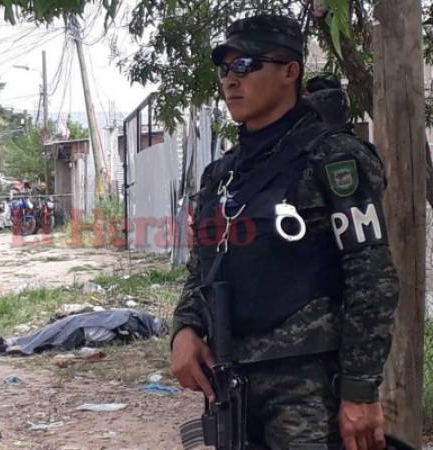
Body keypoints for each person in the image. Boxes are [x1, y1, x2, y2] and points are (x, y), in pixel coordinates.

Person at [171, 14, 399, 450]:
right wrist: (184, 329)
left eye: (245, 66)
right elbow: (202, 267)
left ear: (289, 71)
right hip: (231, 380)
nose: (230, 82)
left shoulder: (334, 158)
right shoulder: (220, 175)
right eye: (225, 70)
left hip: (307, 387)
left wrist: (360, 390)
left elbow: (372, 278)